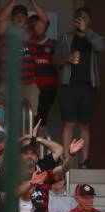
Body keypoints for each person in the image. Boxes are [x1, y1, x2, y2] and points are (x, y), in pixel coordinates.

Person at [54, 7, 105, 168]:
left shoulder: (94, 37)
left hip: (88, 86)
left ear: (89, 21)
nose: (80, 19)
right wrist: (67, 58)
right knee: (68, 123)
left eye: (84, 17)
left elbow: (100, 47)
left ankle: (84, 161)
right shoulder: (66, 38)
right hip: (69, 85)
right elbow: (55, 60)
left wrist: (86, 31)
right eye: (78, 17)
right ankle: (67, 159)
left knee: (84, 124)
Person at [0, 0, 49, 115]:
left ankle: (27, 133)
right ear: (12, 18)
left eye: (23, 16)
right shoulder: (5, 32)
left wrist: (33, 1)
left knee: (29, 115)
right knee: (2, 114)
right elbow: (1, 18)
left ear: (26, 19)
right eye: (16, 15)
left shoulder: (33, 32)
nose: (20, 18)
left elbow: (44, 20)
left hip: (28, 82)